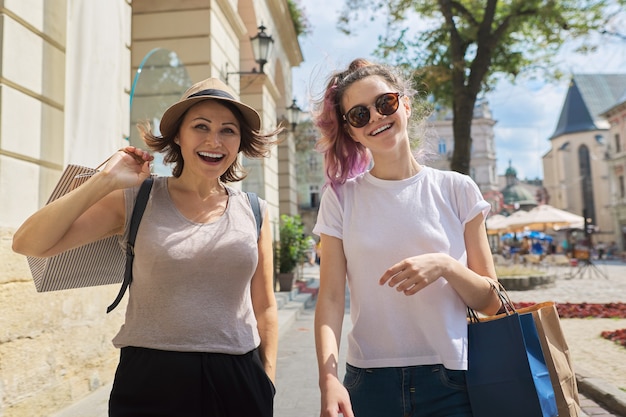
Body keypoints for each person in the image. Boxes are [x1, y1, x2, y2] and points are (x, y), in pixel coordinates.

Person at [12, 78, 282, 416]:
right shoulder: (137, 199)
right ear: (178, 137)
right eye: (201, 126)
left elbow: (265, 307)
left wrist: (266, 382)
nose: (214, 140)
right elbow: (29, 243)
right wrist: (105, 181)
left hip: (238, 378)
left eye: (228, 130)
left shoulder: (255, 210)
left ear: (240, 142)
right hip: (151, 378)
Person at [311, 59, 502, 417]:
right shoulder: (340, 198)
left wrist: (445, 265)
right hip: (367, 382)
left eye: (385, 104)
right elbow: (332, 298)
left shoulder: (457, 189)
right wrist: (328, 379)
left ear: (406, 105)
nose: (376, 118)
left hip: (452, 380)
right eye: (359, 115)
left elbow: (492, 302)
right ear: (351, 131)